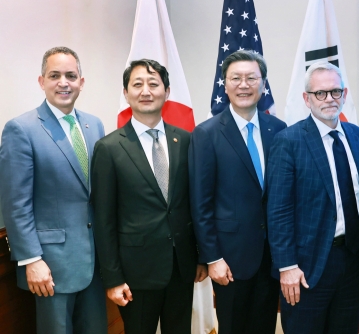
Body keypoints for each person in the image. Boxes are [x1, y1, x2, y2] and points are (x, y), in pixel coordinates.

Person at [91, 59, 206, 334]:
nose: (146, 91)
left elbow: (194, 204)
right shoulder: (109, 148)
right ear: (126, 92)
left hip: (181, 266)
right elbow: (103, 218)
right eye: (138, 84)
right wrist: (113, 278)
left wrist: (201, 256)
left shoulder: (186, 140)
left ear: (166, 92)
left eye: (153, 84)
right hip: (135, 273)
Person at [0, 46, 107, 334]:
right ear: (41, 81)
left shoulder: (94, 125)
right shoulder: (20, 129)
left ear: (81, 82)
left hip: (95, 262)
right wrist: (31, 259)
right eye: (55, 75)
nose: (64, 82)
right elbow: (15, 203)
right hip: (50, 267)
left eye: (71, 75)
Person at [267, 62, 359, 333]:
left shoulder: (358, 137)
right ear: (307, 98)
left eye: (335, 91)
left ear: (345, 94)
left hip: (351, 261)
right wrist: (287, 266)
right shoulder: (288, 141)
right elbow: (278, 210)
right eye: (320, 93)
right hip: (307, 267)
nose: (329, 99)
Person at [189, 50, 286, 334]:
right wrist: (213, 258)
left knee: (265, 326)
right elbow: (200, 203)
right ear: (225, 85)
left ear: (263, 84)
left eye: (251, 78)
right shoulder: (206, 134)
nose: (244, 85)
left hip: (272, 257)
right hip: (230, 260)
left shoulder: (278, 129)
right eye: (236, 78)